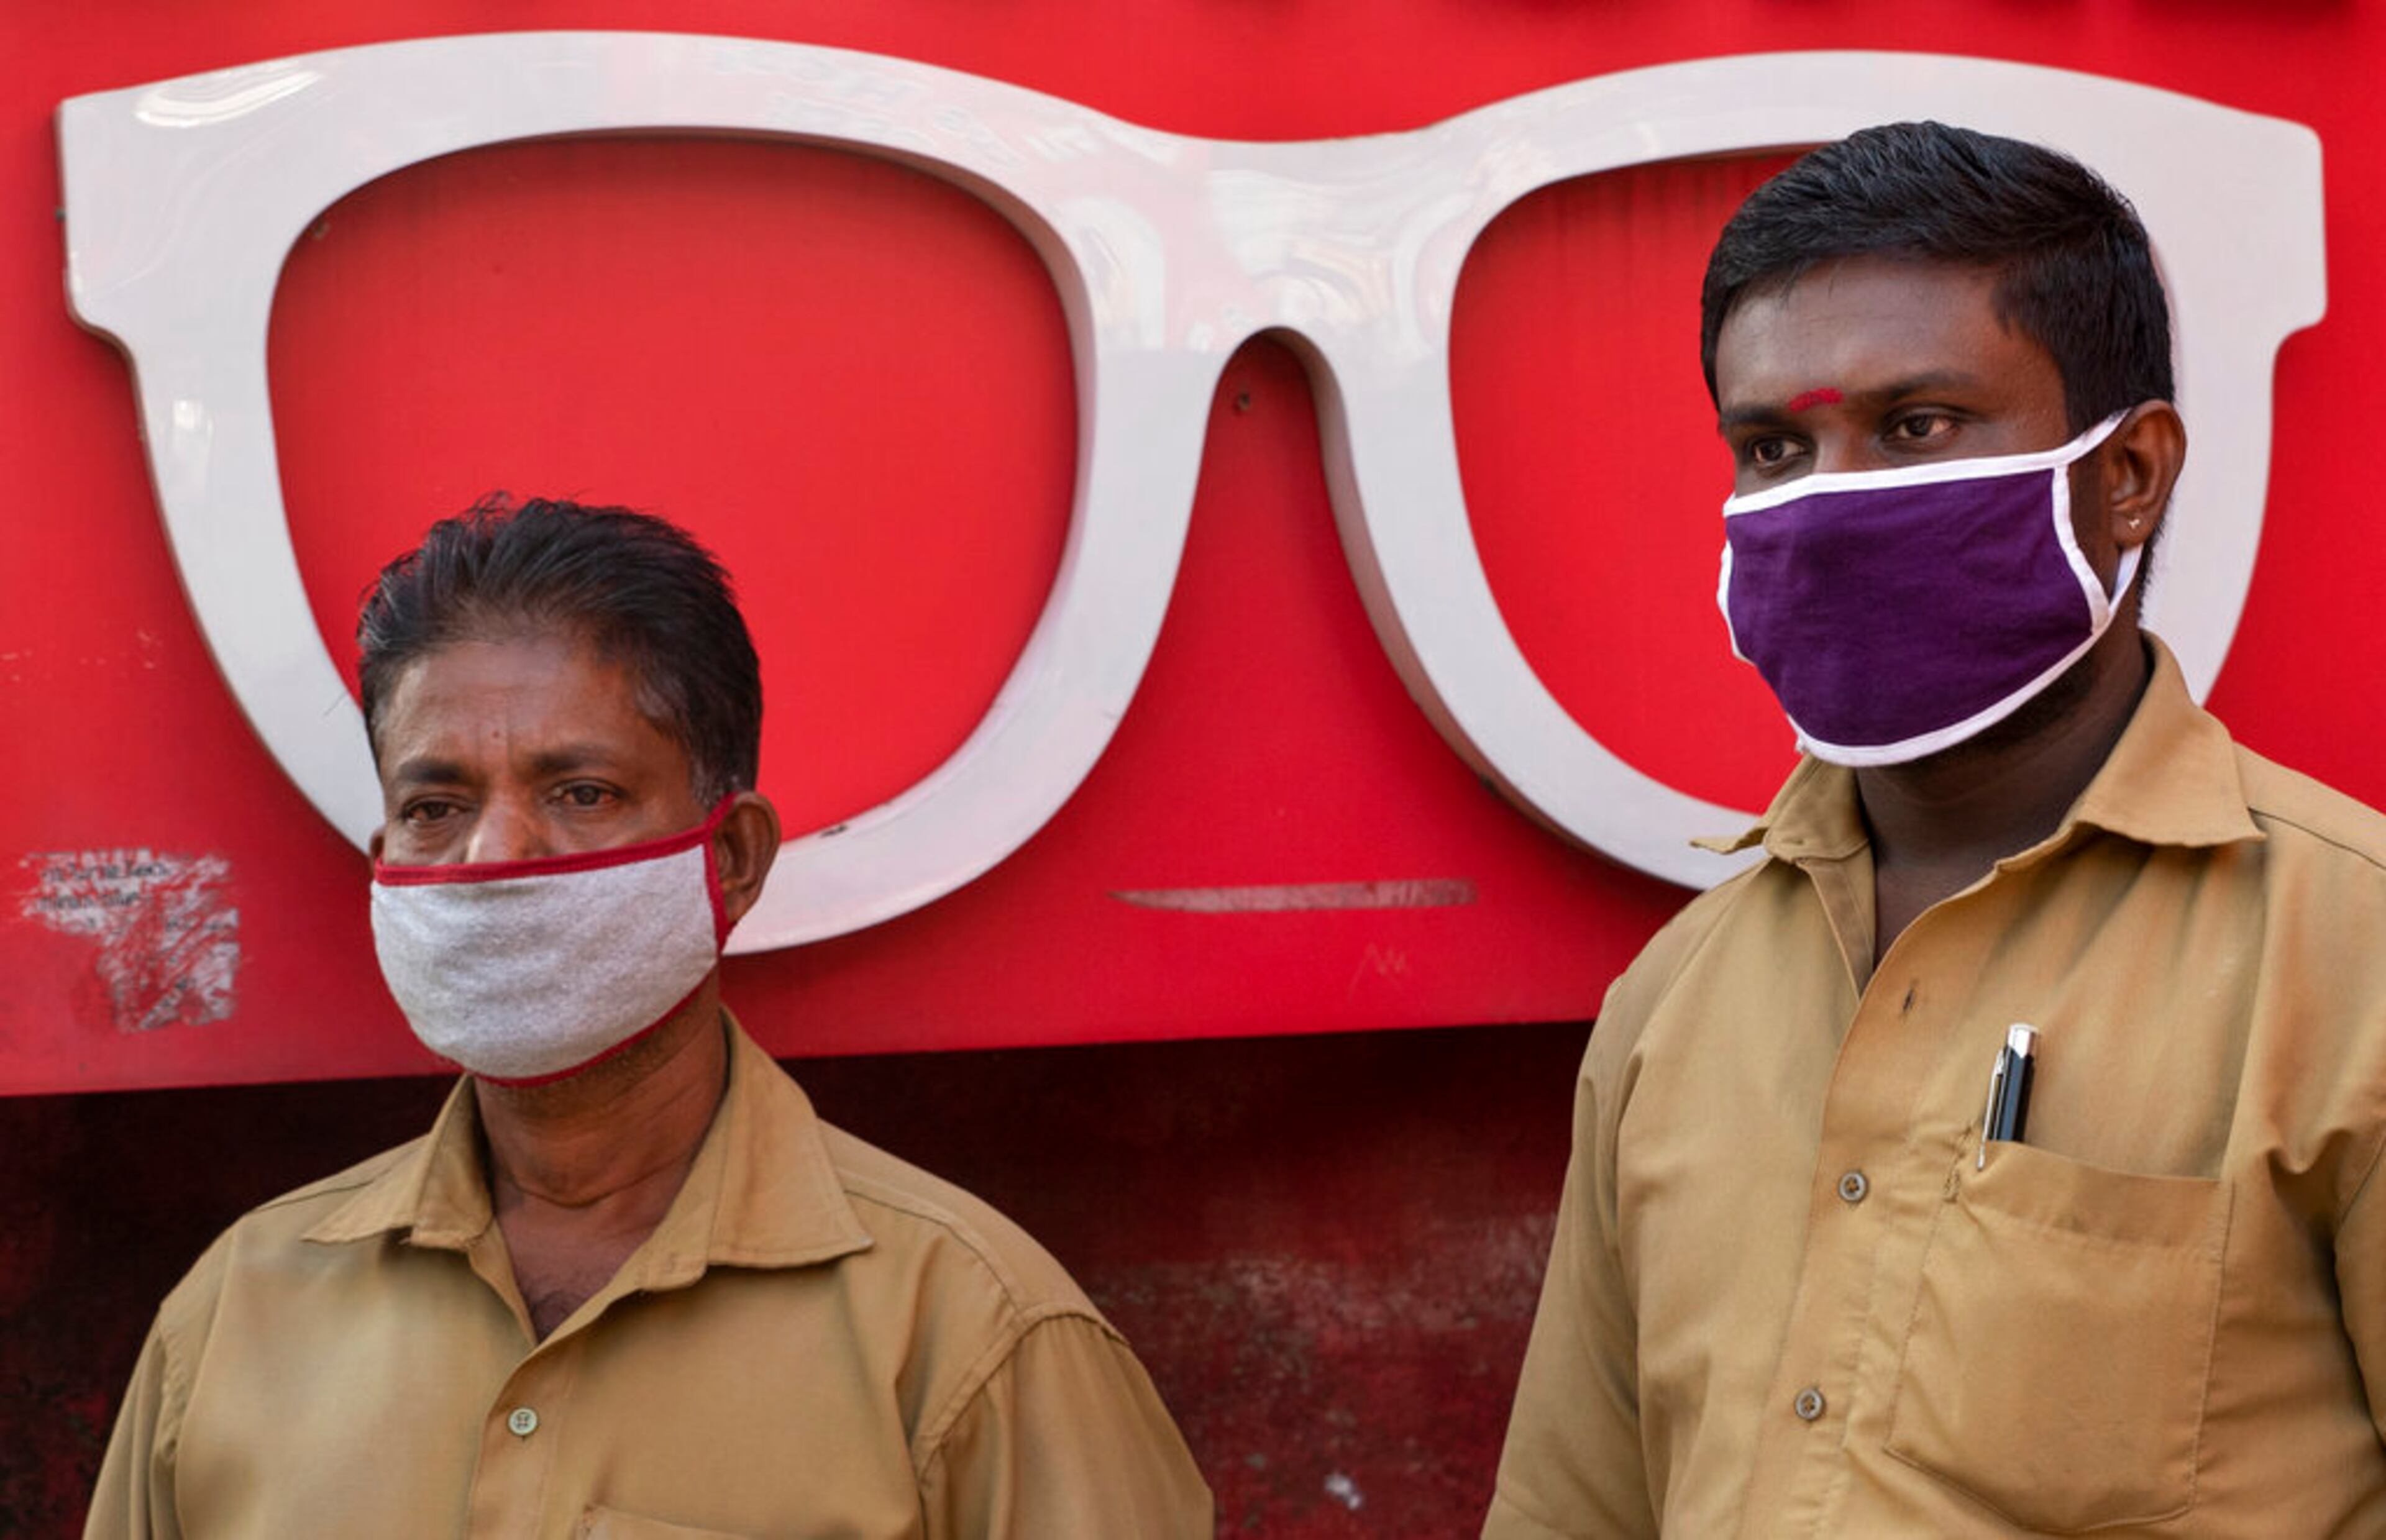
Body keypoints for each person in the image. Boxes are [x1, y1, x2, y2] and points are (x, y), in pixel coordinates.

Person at [1486, 121, 2386, 1536]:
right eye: (1775, 446)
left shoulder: (2353, 962)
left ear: (2132, 473)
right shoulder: (1672, 1004)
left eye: (1916, 426)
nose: (1830, 502)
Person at [85, 498, 1214, 1539]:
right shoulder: (236, 1312)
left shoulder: (972, 1332)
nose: (496, 858)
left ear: (729, 859)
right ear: (386, 862)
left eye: (581, 792)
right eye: (437, 807)